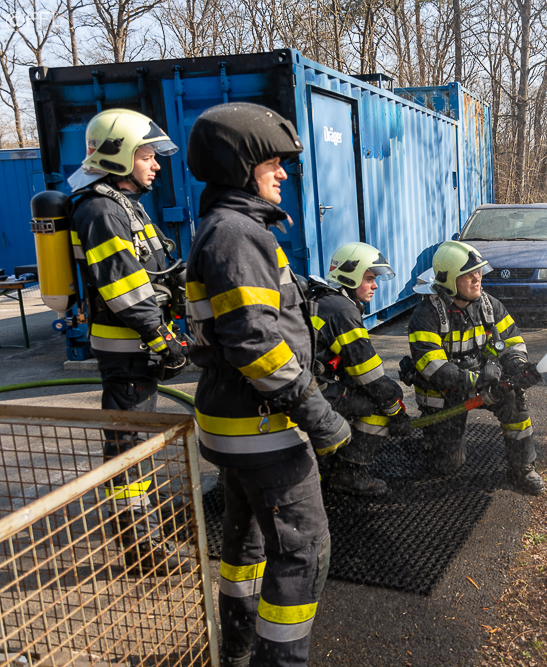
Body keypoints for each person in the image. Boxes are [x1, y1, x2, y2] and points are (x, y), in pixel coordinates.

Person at [184, 102, 352, 667]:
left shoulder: (221, 227)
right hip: (264, 430)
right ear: (240, 165)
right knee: (303, 552)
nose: (282, 173)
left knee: (246, 545)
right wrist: (319, 415)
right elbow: (255, 343)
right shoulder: (238, 233)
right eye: (272, 163)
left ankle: (236, 652)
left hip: (233, 427)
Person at [68, 108, 190, 574]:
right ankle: (140, 548)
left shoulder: (124, 204)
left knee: (138, 440)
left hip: (138, 342)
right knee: (128, 445)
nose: (155, 165)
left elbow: (157, 267)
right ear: (118, 156)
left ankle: (146, 533)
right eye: (146, 155)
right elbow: (123, 288)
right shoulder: (100, 210)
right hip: (127, 347)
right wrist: (161, 339)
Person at [406, 240, 545, 495]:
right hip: (444, 393)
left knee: (514, 401)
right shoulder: (426, 315)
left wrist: (518, 366)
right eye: (468, 274)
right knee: (446, 466)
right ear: (449, 281)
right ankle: (431, 443)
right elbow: (433, 368)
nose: (477, 278)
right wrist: (477, 380)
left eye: (478, 271)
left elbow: (512, 342)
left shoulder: (490, 306)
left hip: (483, 383)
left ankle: (522, 470)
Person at [308, 242, 411, 496]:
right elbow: (371, 376)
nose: (375, 286)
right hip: (311, 393)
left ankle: (327, 463)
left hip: (300, 389)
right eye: (369, 279)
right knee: (378, 403)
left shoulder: (324, 300)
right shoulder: (342, 311)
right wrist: (396, 410)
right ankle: (349, 473)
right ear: (350, 278)